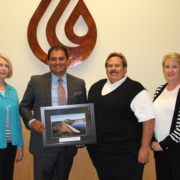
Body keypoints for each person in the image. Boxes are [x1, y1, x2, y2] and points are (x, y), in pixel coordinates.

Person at [19, 45, 87, 180]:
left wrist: (83, 136)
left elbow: (83, 111)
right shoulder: (36, 81)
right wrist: (32, 122)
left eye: (61, 58)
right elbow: (24, 106)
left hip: (68, 145)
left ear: (68, 61)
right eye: (53, 59)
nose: (57, 62)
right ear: (48, 61)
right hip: (43, 143)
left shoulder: (79, 83)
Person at [87, 52, 155, 180]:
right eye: (110, 66)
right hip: (99, 153)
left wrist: (145, 148)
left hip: (126, 155)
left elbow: (149, 120)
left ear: (125, 68)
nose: (113, 69)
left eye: (117, 65)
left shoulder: (136, 90)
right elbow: (87, 116)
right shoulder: (95, 87)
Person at [151, 52, 180, 180]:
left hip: (175, 150)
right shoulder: (159, 90)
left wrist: (164, 143)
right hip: (159, 151)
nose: (170, 70)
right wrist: (152, 140)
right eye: (167, 67)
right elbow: (152, 117)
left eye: (175, 66)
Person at [0, 54, 23, 180]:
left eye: (6, 66)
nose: (3, 68)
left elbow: (17, 121)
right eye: (0, 65)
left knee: (8, 176)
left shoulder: (12, 90)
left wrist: (19, 145)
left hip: (11, 144)